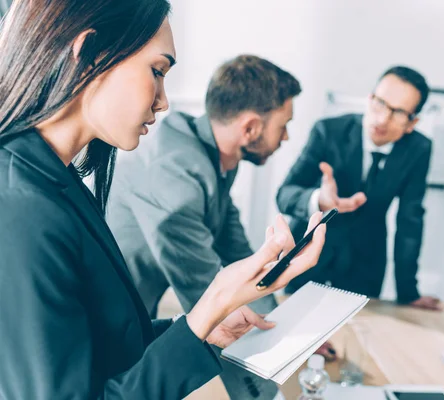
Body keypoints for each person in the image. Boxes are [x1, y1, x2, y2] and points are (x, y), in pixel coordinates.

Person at [0, 1, 326, 399]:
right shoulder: (22, 206)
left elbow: (102, 343)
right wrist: (213, 304)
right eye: (157, 71)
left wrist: (201, 330)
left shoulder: (59, 181)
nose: (163, 101)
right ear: (89, 55)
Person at [106, 54, 303, 399]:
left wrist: (289, 325)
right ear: (251, 128)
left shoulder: (215, 158)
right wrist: (261, 388)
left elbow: (240, 255)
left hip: (138, 317)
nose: (285, 137)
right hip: (106, 330)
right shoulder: (175, 173)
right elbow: (208, 296)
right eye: (283, 125)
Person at [276, 66, 441, 310]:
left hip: (366, 260)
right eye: (380, 103)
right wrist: (318, 200)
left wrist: (408, 292)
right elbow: (285, 193)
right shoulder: (327, 131)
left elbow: (410, 220)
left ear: (412, 122)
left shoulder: (419, 149)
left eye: (398, 113)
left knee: (358, 336)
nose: (383, 118)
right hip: (310, 254)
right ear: (369, 98)